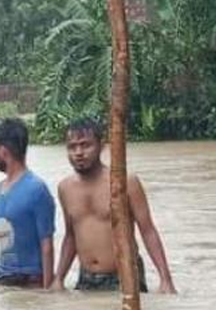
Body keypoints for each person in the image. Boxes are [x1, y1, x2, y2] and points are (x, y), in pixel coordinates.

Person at [52, 117, 176, 294]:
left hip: (124, 275)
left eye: (85, 145)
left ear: (101, 146)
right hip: (86, 277)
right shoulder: (65, 188)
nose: (78, 152)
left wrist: (165, 279)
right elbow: (71, 236)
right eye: (72, 147)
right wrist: (59, 279)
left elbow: (148, 230)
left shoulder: (125, 182)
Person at [0, 118, 56, 289]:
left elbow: (46, 244)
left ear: (3, 152)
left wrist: (47, 290)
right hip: (3, 275)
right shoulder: (0, 188)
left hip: (30, 279)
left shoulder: (37, 189)